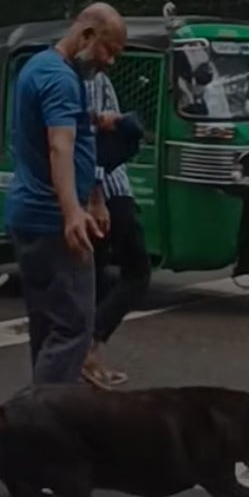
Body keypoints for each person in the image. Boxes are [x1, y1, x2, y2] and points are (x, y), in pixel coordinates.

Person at [4, 4, 126, 384]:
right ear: (86, 35)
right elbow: (61, 146)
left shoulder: (40, 67)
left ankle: (34, 426)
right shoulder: (59, 78)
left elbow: (78, 137)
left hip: (31, 214)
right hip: (53, 220)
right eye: (109, 50)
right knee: (74, 329)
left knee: (48, 329)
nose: (110, 61)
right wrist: (73, 212)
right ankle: (40, 425)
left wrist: (94, 196)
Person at [82, 68, 151, 390]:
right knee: (136, 271)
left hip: (109, 185)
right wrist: (96, 197)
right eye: (108, 48)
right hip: (105, 192)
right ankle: (91, 345)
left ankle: (90, 356)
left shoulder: (101, 78)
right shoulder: (75, 80)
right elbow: (88, 138)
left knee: (98, 277)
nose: (112, 58)